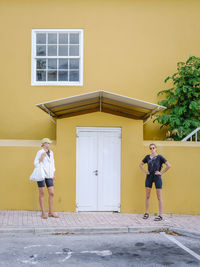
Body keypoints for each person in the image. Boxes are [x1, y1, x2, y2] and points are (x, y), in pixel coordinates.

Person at [139, 144, 171, 221]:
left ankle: (160, 215)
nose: (152, 149)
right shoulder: (147, 157)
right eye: (150, 148)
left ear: (156, 148)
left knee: (159, 197)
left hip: (157, 178)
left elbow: (169, 165)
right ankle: (146, 213)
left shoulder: (160, 157)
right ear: (149, 149)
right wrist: (145, 171)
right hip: (149, 177)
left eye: (153, 148)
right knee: (147, 196)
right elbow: (140, 165)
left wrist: (161, 173)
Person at [34, 138, 59, 219]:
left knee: (52, 193)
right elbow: (35, 163)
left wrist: (54, 173)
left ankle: (51, 212)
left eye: (50, 143)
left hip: (49, 175)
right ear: (44, 144)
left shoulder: (51, 152)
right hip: (41, 175)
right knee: (42, 194)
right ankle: (43, 213)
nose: (50, 144)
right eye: (48, 143)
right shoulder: (40, 152)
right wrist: (41, 157)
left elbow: (53, 163)